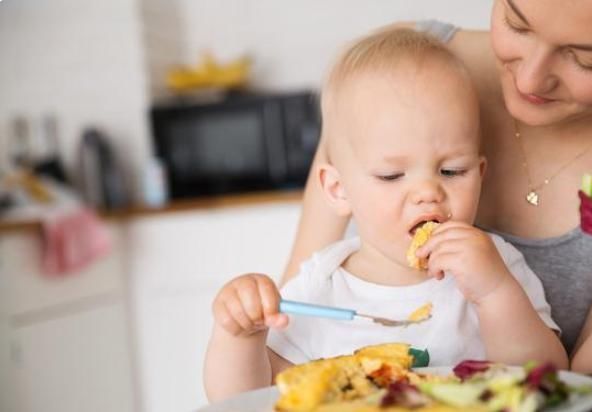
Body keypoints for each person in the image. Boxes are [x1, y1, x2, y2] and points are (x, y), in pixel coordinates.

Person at [283, 0, 592, 374]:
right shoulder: (393, 70)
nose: (531, 80)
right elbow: (287, 328)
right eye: (518, 23)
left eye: (587, 59)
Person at [203, 28, 567, 401]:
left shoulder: (495, 265)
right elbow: (244, 400)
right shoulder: (322, 286)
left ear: (480, 174)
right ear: (338, 190)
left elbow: (551, 380)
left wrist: (494, 293)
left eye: (452, 171)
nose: (428, 192)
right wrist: (240, 337)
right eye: (392, 175)